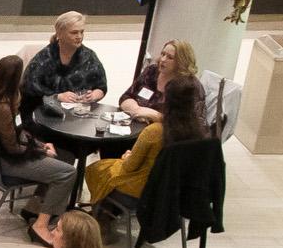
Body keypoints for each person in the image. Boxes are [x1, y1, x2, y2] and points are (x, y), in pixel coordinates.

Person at [0, 56, 78, 231]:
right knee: (68, 173)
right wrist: (41, 152)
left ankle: (34, 207)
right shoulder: (2, 107)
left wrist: (39, 145)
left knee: (66, 155)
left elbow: (16, 133)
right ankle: (41, 225)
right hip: (6, 162)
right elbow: (12, 147)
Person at [87, 76, 206, 207]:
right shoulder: (198, 135)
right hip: (175, 195)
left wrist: (127, 156)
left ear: (168, 100)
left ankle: (101, 213)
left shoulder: (154, 131)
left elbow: (129, 167)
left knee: (96, 168)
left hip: (142, 192)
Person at [22, 13, 107, 110]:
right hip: (44, 114)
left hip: (80, 113)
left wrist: (94, 95)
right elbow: (29, 88)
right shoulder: (44, 58)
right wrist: (57, 97)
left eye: (82, 32)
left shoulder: (89, 57)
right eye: (74, 32)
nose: (79, 36)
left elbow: (101, 86)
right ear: (59, 34)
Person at [118, 39, 197, 123]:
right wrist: (137, 109)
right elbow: (125, 97)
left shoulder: (188, 86)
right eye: (163, 54)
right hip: (136, 124)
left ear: (181, 62)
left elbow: (182, 125)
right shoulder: (152, 71)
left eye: (170, 57)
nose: (163, 59)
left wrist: (155, 116)